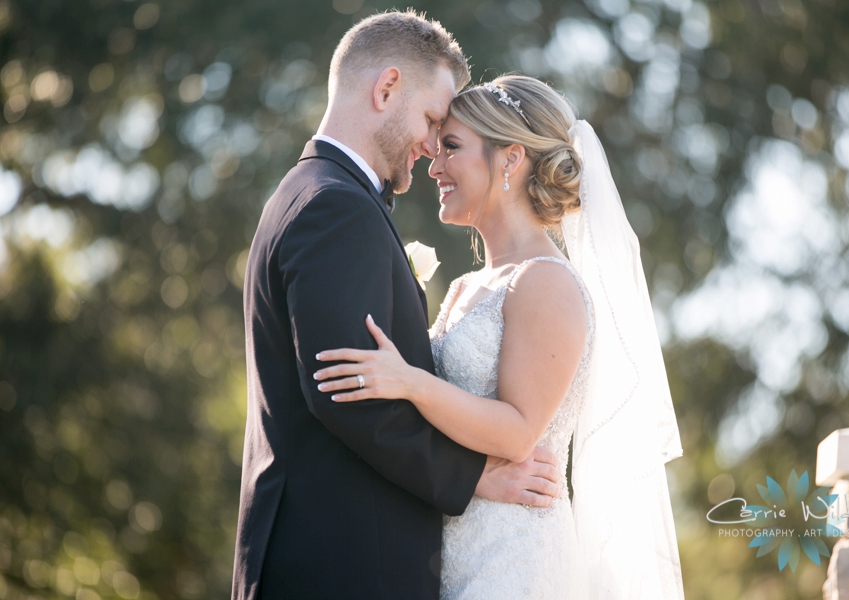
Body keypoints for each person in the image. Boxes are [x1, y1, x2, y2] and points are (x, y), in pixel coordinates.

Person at [232, 14, 563, 600]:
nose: (432, 146)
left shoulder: (311, 193)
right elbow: (348, 394)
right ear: (386, 89)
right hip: (339, 563)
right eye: (433, 121)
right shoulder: (335, 206)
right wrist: (476, 477)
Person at [316, 75, 686, 599]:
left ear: (510, 159)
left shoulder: (546, 281)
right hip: (450, 545)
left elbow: (517, 432)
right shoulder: (467, 285)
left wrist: (410, 383)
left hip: (514, 556)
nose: (434, 164)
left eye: (451, 147)